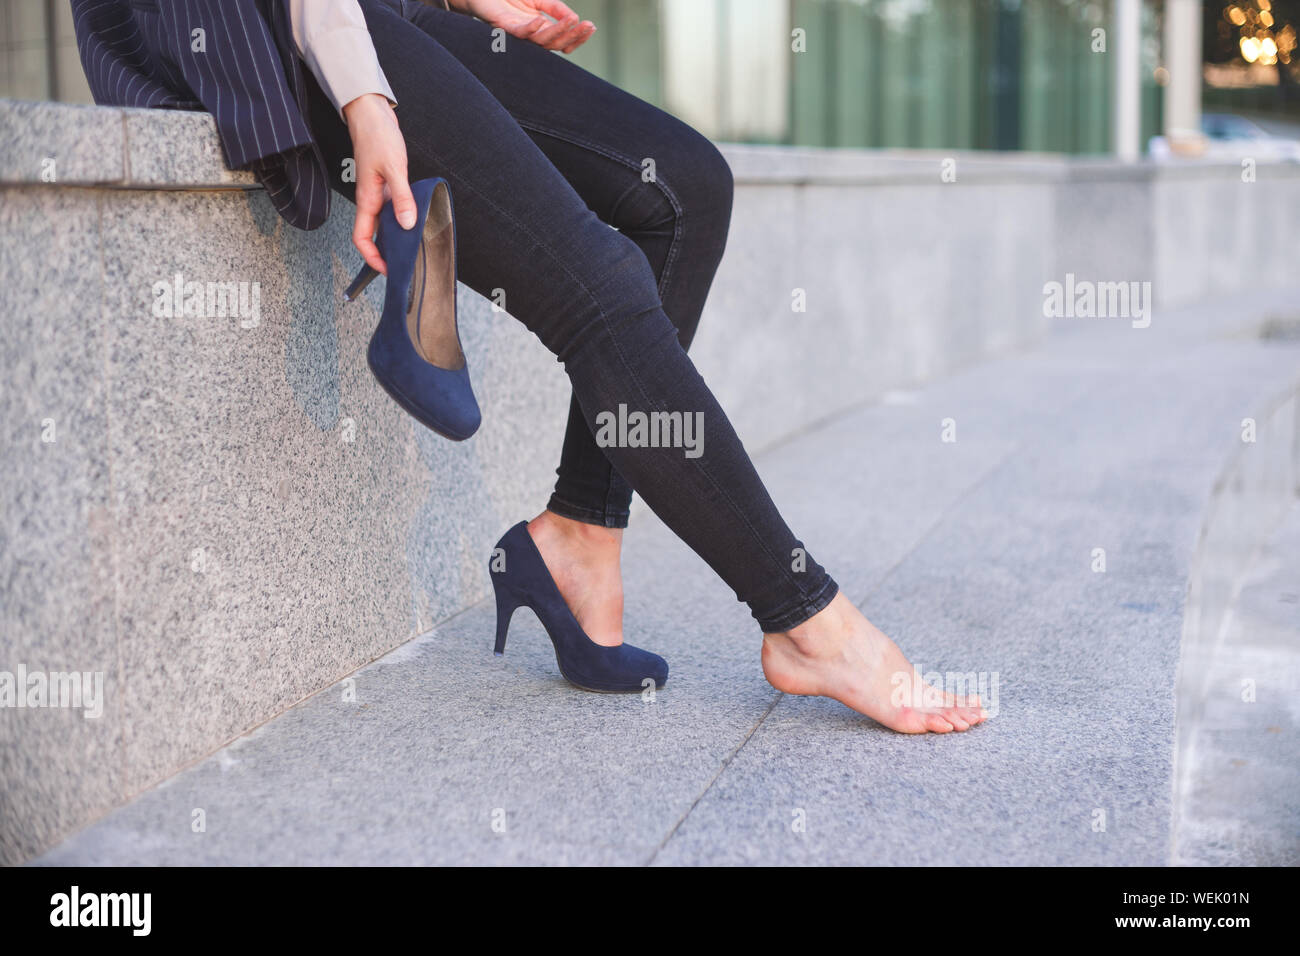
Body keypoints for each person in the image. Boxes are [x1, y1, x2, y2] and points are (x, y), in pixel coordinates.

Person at [73, 0, 987, 732]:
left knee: (685, 186)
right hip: (259, 25)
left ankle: (581, 535)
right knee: (598, 281)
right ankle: (806, 622)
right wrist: (363, 98)